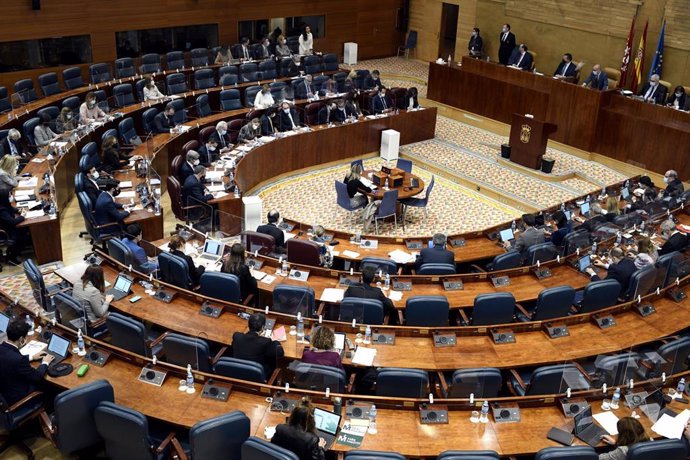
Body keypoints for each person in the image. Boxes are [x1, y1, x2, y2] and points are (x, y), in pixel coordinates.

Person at [0, 319, 54, 406]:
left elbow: (9, 359)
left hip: (5, 392)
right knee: (48, 384)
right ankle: (50, 407)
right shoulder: (18, 360)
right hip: (17, 398)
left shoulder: (2, 348)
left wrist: (31, 357)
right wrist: (45, 363)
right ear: (21, 339)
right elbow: (36, 376)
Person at [0, 190, 28, 263]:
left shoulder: (4, 204)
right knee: (23, 234)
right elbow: (13, 222)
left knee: (25, 229)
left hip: (8, 226)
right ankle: (11, 257)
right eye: (9, 196)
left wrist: (19, 210)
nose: (11, 197)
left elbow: (11, 209)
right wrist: (22, 216)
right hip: (6, 231)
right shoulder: (1, 210)